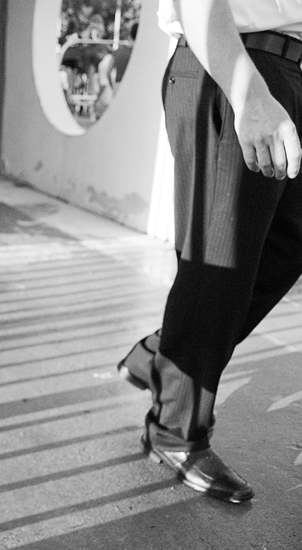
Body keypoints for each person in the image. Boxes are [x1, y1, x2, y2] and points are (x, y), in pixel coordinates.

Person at [118, 0, 302, 504]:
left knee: (289, 241)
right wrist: (246, 90)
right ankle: (175, 431)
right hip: (233, 63)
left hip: (287, 73)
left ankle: (164, 352)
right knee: (220, 263)